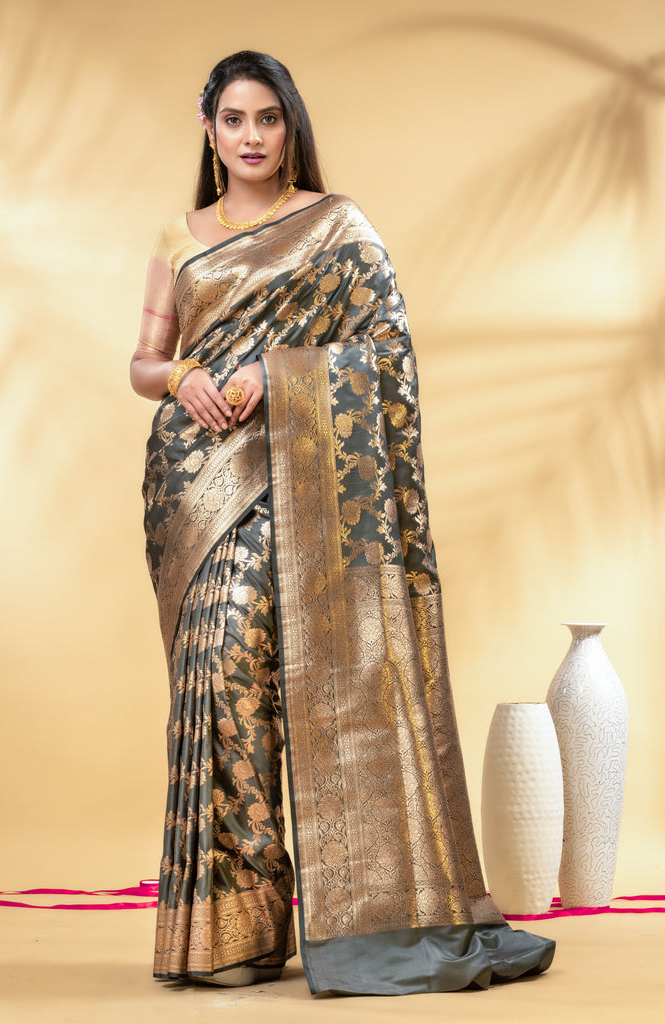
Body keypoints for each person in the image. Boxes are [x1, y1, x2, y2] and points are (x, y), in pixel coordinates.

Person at [130, 50, 555, 997]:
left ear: (290, 125)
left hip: (301, 470)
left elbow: (386, 350)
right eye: (234, 119)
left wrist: (274, 374)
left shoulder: (335, 227)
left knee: (320, 670)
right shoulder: (178, 237)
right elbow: (143, 362)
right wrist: (184, 377)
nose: (251, 137)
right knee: (219, 678)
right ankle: (231, 933)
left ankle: (363, 911)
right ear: (208, 128)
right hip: (195, 484)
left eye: (268, 118)